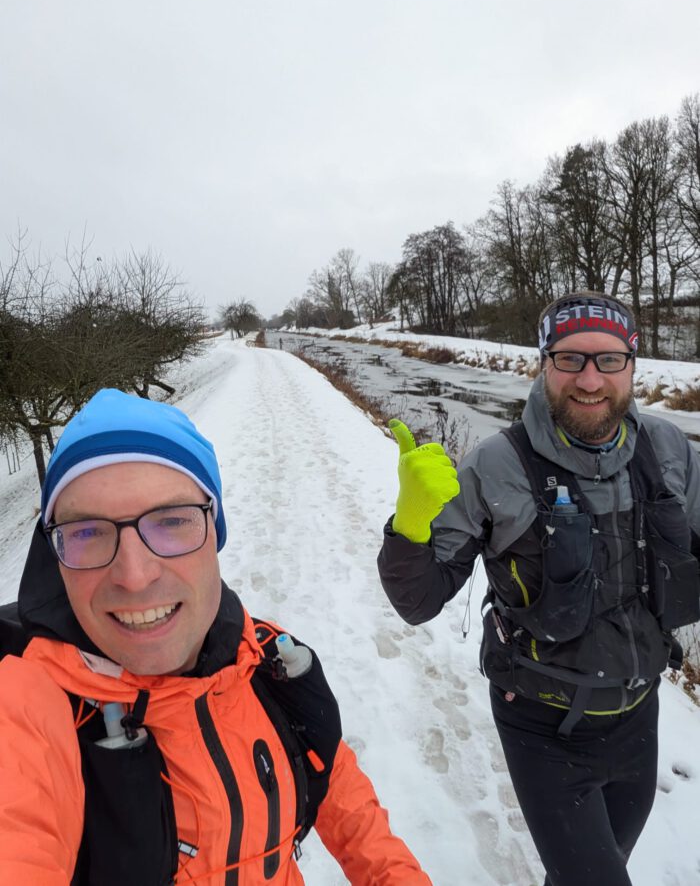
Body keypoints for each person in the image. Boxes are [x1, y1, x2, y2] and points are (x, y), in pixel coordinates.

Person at [0, 388, 431, 886]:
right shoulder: (29, 704)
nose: (135, 575)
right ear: (54, 552)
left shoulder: (266, 661)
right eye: (88, 532)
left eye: (171, 522)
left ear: (215, 531)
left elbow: (353, 812)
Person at [378, 291, 700, 886]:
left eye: (609, 360)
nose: (590, 379)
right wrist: (410, 526)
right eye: (570, 359)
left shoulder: (669, 451)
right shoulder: (494, 466)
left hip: (639, 715)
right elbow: (418, 602)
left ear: (633, 365)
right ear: (542, 363)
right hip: (542, 725)